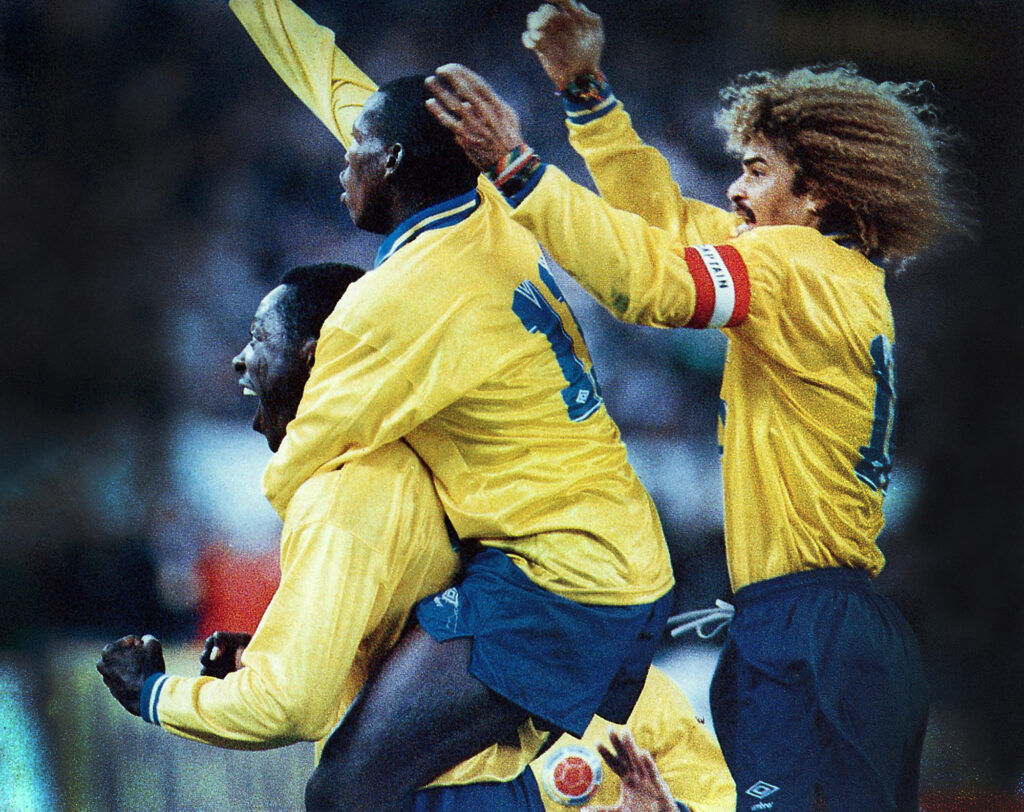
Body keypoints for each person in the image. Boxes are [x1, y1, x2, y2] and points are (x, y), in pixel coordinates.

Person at [423, 4, 971, 810]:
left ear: (816, 192)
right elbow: (670, 223)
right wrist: (588, 97)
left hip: (811, 629)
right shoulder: (827, 276)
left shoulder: (797, 273)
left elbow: (650, 281)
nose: (734, 187)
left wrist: (517, 167)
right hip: (810, 623)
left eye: (754, 169)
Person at [219, 3, 676, 811]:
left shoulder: (390, 303)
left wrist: (289, 643)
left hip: (560, 583)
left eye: (354, 152)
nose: (339, 165)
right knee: (419, 782)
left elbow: (301, 461)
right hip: (602, 551)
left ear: (393, 161)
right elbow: (345, 96)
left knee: (348, 792)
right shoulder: (490, 210)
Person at [96, 263, 732, 812]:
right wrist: (269, 658)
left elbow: (292, 707)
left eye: (260, 337)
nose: (240, 356)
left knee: (342, 794)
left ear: (316, 354)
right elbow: (403, 623)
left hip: (498, 768)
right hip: (556, 712)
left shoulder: (344, 493)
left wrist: (157, 694)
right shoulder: (413, 454)